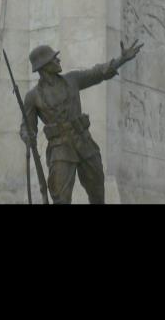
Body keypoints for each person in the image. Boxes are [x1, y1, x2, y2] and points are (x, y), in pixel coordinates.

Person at [19, 40, 142, 204]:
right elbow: (26, 126)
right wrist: (28, 136)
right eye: (54, 59)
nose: (58, 61)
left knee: (97, 191)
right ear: (44, 66)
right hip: (60, 149)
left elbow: (96, 73)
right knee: (61, 199)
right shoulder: (33, 97)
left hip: (84, 142)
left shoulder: (72, 79)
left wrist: (121, 60)